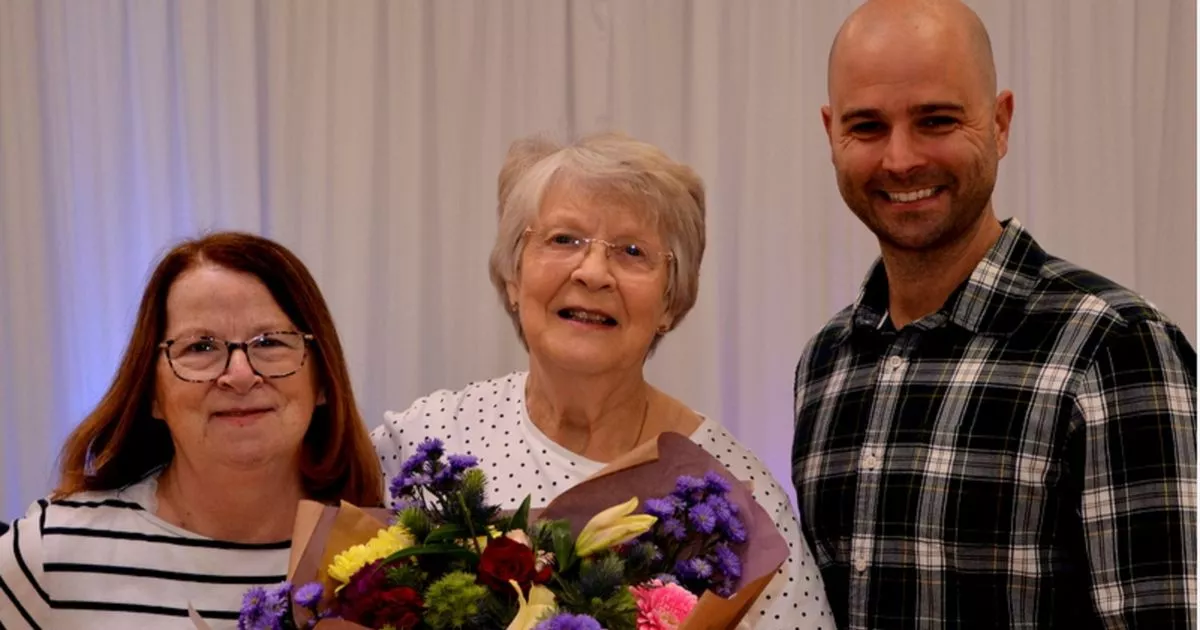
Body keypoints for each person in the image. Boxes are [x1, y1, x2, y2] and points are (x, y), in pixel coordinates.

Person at [791, 0, 1197, 628]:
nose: (900, 159)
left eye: (936, 120)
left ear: (1001, 123)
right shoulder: (826, 363)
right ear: (830, 134)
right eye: (867, 127)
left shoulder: (1115, 348)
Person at [373, 132, 835, 628]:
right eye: (563, 239)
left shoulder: (731, 496)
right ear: (513, 276)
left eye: (632, 251)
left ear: (670, 302)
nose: (593, 272)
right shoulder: (424, 445)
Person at [0, 233, 383, 628]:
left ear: (322, 380)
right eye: (200, 347)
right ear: (152, 393)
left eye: (270, 342)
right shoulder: (53, 554)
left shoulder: (392, 561)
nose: (239, 375)